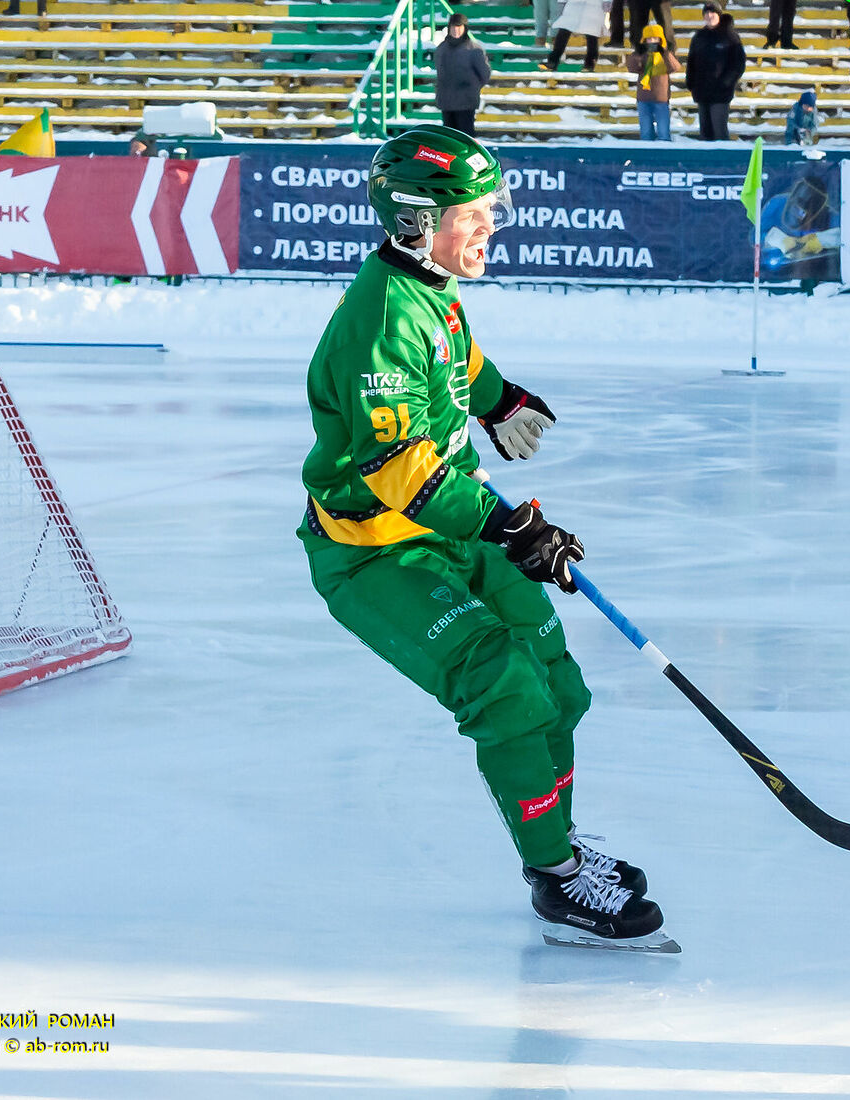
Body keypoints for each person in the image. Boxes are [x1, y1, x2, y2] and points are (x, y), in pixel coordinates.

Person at [298, 125, 665, 948]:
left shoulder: (431, 290)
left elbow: (458, 358)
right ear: (416, 221)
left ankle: (559, 841)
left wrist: (499, 403)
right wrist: (513, 528)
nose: (490, 224)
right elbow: (397, 470)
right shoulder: (382, 318)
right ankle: (558, 878)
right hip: (376, 553)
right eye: (472, 212)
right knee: (504, 685)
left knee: (558, 682)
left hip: (454, 529)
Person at [685, 1, 745, 141]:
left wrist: (726, 82)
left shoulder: (730, 37)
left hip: (720, 93)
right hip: (702, 92)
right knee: (705, 133)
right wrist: (691, 82)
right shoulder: (699, 37)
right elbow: (691, 62)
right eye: (706, 13)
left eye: (712, 13)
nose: (709, 16)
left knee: (719, 132)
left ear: (719, 15)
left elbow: (738, 64)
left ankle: (724, 155)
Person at [434, 12, 492, 136]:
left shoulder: (474, 50)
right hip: (447, 101)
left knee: (465, 137)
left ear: (465, 28)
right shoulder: (442, 49)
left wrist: (470, 87)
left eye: (459, 27)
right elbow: (440, 71)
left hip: (466, 103)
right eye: (453, 27)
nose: (456, 30)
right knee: (449, 137)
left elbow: (485, 74)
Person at [627, 22, 681, 139]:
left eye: (655, 38)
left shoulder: (665, 55)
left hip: (661, 99)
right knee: (646, 133)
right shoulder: (642, 54)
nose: (652, 41)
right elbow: (632, 68)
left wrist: (665, 52)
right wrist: (637, 53)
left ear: (660, 40)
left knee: (663, 132)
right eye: (649, 39)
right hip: (643, 98)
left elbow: (675, 67)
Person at [541, 0, 606, 71]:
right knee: (564, 29)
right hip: (573, 6)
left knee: (591, 33)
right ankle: (552, 61)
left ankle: (590, 63)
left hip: (594, 7)